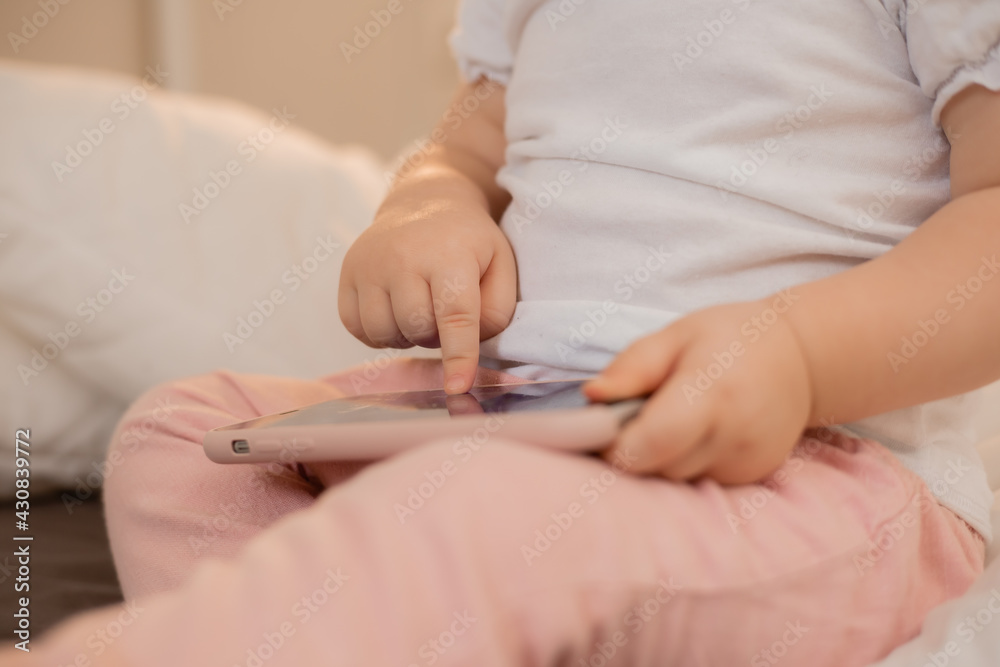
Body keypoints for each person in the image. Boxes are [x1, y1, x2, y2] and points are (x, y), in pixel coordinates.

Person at [13, 0, 1000, 665]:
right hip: (532, 410)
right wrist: (426, 210)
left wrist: (796, 355)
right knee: (189, 435)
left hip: (820, 468)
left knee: (474, 504)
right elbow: (464, 146)